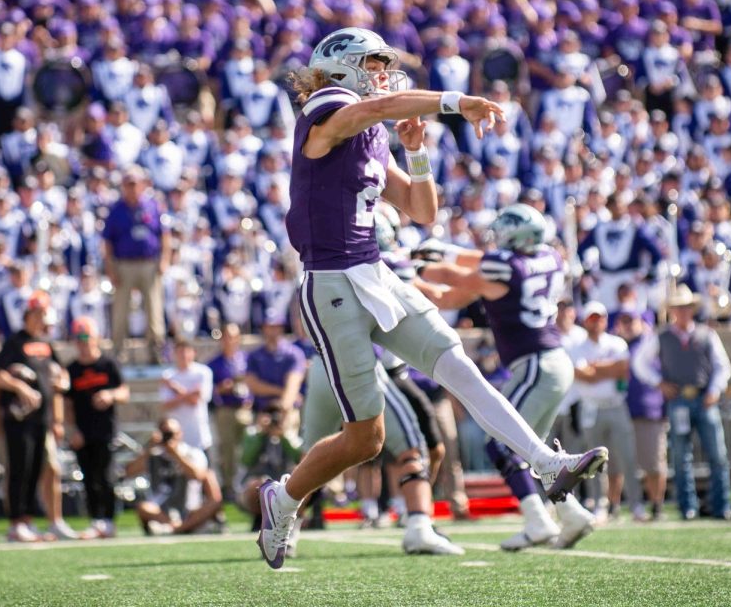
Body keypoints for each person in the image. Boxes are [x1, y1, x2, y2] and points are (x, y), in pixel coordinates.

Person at [256, 28, 607, 569]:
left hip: (374, 274)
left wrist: (417, 153)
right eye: (372, 64)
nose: (380, 73)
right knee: (364, 441)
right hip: (330, 284)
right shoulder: (327, 104)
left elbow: (421, 211)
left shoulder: (371, 133)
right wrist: (455, 102)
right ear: (344, 66)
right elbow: (384, 104)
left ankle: (544, 463)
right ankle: (283, 498)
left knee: (457, 365)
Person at [408, 204, 599, 550]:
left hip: (536, 364)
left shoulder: (507, 267)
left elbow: (452, 278)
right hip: (552, 363)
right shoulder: (549, 258)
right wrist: (444, 258)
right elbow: (456, 287)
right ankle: (571, 514)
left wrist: (411, 266)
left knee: (501, 443)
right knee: (531, 451)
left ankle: (538, 521)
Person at [302, 349, 463, 555]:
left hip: (370, 369)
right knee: (411, 450)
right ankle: (418, 521)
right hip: (364, 367)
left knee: (430, 449)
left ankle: (282, 521)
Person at [631, 285, 731, 520]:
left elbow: (721, 365)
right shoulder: (662, 336)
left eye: (686, 307)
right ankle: (688, 507)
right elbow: (640, 363)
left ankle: (722, 505)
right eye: (679, 307)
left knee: (717, 454)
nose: (683, 311)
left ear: (692, 309)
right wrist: (659, 383)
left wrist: (715, 390)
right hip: (678, 399)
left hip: (704, 396)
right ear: (673, 310)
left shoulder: (706, 334)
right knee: (680, 455)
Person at [0, 290, 65, 543]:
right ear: (30, 314)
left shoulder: (46, 344)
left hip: (41, 418)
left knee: (35, 469)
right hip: (18, 417)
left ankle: (29, 520)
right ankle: (16, 521)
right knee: (19, 468)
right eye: (40, 313)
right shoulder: (15, 342)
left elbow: (61, 376)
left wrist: (58, 413)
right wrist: (20, 388)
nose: (43, 319)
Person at [565, 302, 641, 523]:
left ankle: (636, 504)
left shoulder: (616, 343)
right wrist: (607, 369)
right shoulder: (577, 347)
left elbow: (621, 370)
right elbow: (583, 375)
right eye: (591, 318)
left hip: (616, 406)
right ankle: (600, 503)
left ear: (605, 320)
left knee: (627, 457)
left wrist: (595, 368)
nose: (596, 322)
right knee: (594, 462)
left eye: (599, 318)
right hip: (591, 408)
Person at [65, 316, 128, 539]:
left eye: (86, 336)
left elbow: (124, 392)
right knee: (88, 477)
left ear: (96, 338)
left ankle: (109, 520)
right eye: (79, 337)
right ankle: (95, 520)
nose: (83, 342)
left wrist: (109, 395)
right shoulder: (72, 369)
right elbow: (67, 403)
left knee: (106, 476)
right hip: (83, 432)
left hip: (105, 429)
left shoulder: (108, 364)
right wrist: (72, 430)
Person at [102, 165, 169, 364]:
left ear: (142, 185)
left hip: (149, 263)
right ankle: (118, 352)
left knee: (153, 309)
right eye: (128, 184)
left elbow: (165, 235)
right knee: (121, 310)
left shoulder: (153, 206)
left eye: (134, 184)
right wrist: (110, 269)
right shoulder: (116, 210)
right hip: (124, 264)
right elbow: (107, 243)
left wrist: (165, 260)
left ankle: (155, 351)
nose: (131, 188)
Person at [127, 417, 224, 536]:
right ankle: (183, 527)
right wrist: (148, 449)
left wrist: (175, 454)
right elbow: (129, 472)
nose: (169, 437)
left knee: (214, 498)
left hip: (191, 508)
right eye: (165, 433)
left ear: (180, 433)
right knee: (144, 507)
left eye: (171, 433)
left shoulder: (192, 453)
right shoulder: (154, 455)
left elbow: (197, 476)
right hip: (163, 509)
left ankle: (175, 529)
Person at [616, 310, 667, 521]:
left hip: (649, 411)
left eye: (632, 320)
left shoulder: (650, 344)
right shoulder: (617, 346)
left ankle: (657, 505)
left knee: (653, 463)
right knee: (620, 464)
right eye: (624, 321)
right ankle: (622, 506)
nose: (628, 325)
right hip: (622, 411)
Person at [207, 323, 252, 496]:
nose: (230, 340)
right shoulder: (215, 363)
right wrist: (222, 389)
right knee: (228, 450)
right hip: (225, 409)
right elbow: (209, 391)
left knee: (248, 448)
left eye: (233, 336)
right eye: (227, 336)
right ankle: (228, 486)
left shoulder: (246, 359)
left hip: (245, 408)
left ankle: (246, 483)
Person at [159, 338, 213, 456]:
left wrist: (175, 388)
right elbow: (166, 405)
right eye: (180, 351)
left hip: (199, 437)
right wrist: (189, 394)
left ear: (194, 353)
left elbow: (196, 400)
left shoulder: (203, 372)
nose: (183, 355)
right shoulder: (168, 375)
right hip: (177, 440)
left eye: (186, 351)